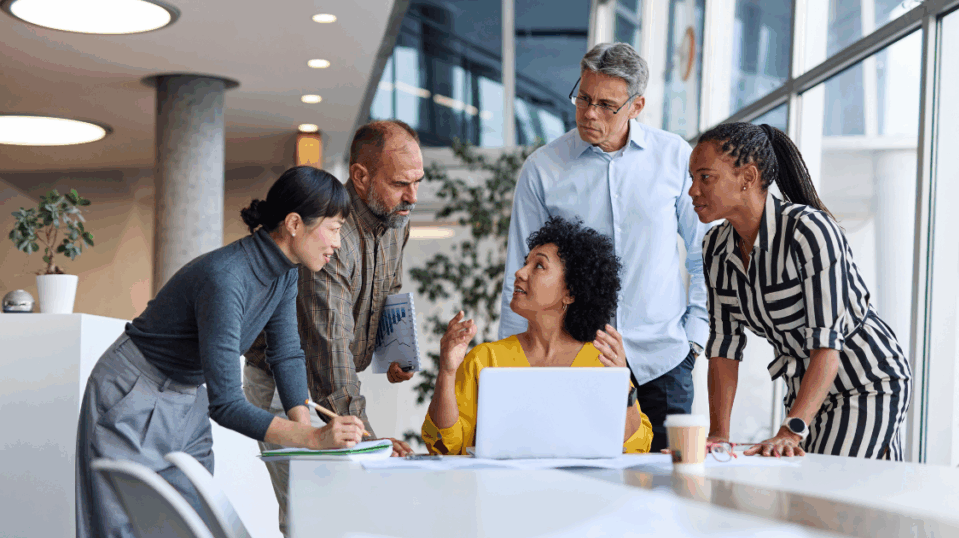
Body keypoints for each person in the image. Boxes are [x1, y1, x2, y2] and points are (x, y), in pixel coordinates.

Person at [75, 166, 366, 538]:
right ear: (295, 223)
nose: (338, 242)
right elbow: (226, 404)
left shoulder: (286, 271)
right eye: (335, 227)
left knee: (190, 527)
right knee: (121, 528)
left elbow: (287, 353)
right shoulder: (227, 278)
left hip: (185, 398)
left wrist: (305, 428)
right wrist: (311, 439)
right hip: (132, 392)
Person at [498, 42, 709, 452]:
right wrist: (516, 365)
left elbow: (706, 256)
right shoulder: (543, 168)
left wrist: (694, 341)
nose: (590, 113)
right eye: (584, 98)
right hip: (575, 361)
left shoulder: (674, 158)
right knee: (583, 489)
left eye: (607, 105)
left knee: (671, 494)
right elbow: (519, 273)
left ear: (637, 105)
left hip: (664, 362)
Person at [689, 122, 913, 459]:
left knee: (825, 491)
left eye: (705, 177)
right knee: (822, 494)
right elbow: (724, 347)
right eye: (692, 179)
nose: (692, 190)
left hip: (865, 383)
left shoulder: (808, 231)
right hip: (804, 392)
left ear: (747, 177)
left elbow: (827, 346)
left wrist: (790, 430)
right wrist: (718, 435)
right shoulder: (715, 248)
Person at [243, 120, 422, 536]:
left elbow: (387, 289)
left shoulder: (397, 217)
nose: (412, 197)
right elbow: (328, 352)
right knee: (308, 516)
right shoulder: (329, 237)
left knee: (340, 511)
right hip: (282, 386)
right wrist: (372, 442)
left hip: (326, 382)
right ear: (360, 177)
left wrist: (393, 349)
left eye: (418, 181)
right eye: (400, 184)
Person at [425, 216, 653, 455]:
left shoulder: (603, 360)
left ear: (571, 292)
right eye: (525, 263)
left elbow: (635, 447)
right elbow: (447, 446)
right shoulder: (484, 359)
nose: (520, 272)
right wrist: (447, 372)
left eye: (539, 266)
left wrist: (622, 388)